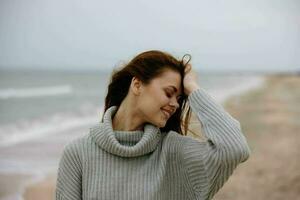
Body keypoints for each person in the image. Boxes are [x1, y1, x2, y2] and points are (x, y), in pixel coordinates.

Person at [55, 50, 250, 200]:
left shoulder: (173, 151)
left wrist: (192, 88)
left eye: (180, 98)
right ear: (137, 85)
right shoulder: (78, 154)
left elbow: (234, 148)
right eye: (168, 92)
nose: (175, 104)